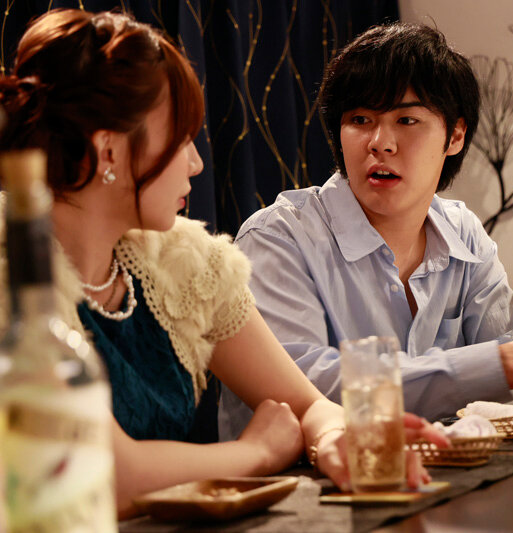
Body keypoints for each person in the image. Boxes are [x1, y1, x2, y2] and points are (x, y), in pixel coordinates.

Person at [0, 9, 447, 517]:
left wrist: (334, 438)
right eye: (181, 139)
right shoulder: (16, 278)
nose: (196, 163)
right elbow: (99, 473)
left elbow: (307, 405)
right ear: (109, 152)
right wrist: (255, 453)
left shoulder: (184, 263)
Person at [219, 22, 513, 438]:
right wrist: (486, 367)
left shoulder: (464, 232)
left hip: (449, 469)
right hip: (311, 475)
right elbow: (307, 391)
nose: (380, 142)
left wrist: (505, 366)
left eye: (406, 119)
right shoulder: (278, 237)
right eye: (360, 119)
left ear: (455, 135)